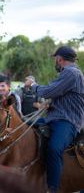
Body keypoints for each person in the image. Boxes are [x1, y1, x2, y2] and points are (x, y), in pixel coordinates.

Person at [28, 46, 84, 193]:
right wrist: (51, 103)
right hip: (53, 119)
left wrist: (33, 85)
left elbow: (48, 91)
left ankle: (52, 189)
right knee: (25, 127)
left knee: (54, 148)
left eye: (55, 59)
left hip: (68, 122)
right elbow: (58, 94)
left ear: (59, 59)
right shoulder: (68, 74)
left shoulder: (72, 73)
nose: (55, 62)